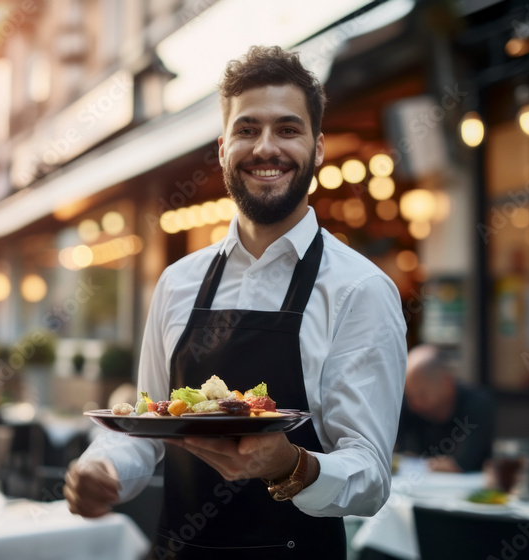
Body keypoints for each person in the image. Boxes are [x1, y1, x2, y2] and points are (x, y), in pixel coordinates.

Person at [64, 46, 407, 559]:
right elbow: (146, 425)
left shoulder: (361, 289)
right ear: (224, 147)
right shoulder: (178, 282)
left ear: (317, 149)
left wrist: (290, 465)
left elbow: (371, 474)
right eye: (247, 130)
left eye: (288, 130)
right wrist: (104, 467)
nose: (265, 147)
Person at [395, 344, 494, 472]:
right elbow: (396, 453)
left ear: (447, 382)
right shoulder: (409, 404)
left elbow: (464, 463)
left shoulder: (478, 405)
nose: (414, 403)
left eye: (422, 395)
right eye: (410, 395)